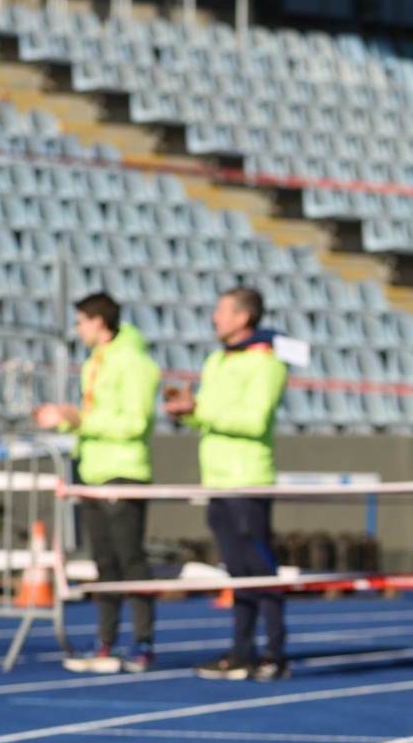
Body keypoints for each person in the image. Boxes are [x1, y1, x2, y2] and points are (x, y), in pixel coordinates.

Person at [163, 287, 291, 682]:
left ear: (243, 317)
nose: (214, 318)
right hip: (217, 480)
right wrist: (186, 413)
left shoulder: (267, 362)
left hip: (248, 480)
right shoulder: (217, 360)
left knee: (259, 568)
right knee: (237, 571)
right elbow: (210, 415)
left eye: (221, 311)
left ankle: (274, 653)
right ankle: (241, 651)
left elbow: (254, 420)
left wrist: (200, 411)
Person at [35, 293, 161, 674]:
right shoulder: (96, 361)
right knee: (104, 563)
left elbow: (135, 423)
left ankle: (143, 643)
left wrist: (79, 419)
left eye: (80, 322)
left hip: (123, 472)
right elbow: (94, 417)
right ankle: (105, 641)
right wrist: (62, 418)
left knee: (131, 561)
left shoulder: (135, 362)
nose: (77, 330)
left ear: (98, 321)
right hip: (92, 472)